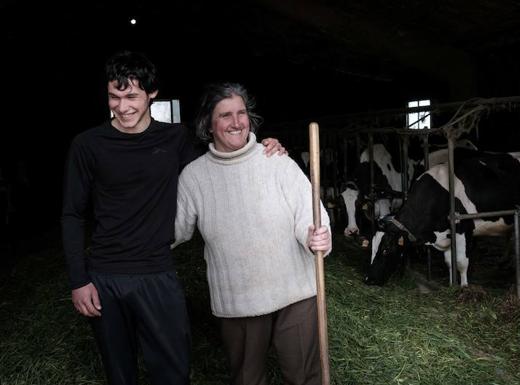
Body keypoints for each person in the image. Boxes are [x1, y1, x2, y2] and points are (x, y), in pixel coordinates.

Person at [61, 51, 285, 385]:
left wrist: (259, 148)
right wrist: (79, 280)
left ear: (151, 93)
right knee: (119, 373)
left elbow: (215, 172)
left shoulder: (175, 138)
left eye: (131, 96)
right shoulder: (88, 145)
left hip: (158, 272)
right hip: (105, 276)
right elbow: (72, 213)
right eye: (114, 97)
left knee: (173, 371)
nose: (122, 107)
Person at [172, 82, 332, 385]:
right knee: (247, 378)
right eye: (225, 115)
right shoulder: (194, 177)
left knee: (304, 376)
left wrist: (315, 235)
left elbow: (308, 212)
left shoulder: (276, 160)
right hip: (238, 299)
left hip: (294, 290)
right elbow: (175, 229)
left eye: (241, 113)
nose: (236, 123)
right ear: (208, 124)